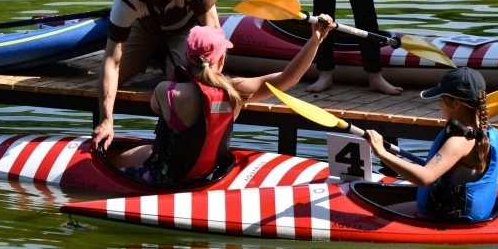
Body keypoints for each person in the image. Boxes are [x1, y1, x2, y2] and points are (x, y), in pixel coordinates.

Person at [103, 14, 335, 184]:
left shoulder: (166, 91)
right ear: (222, 59)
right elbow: (289, 78)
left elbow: (157, 110)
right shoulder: (236, 91)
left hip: (167, 178)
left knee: (119, 162)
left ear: (186, 56)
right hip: (211, 174)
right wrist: (315, 40)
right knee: (145, 151)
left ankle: (102, 165)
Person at [92, 0, 221, 149]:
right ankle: (154, 56)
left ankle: (165, 61)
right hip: (145, 28)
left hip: (185, 30)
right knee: (111, 80)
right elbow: (111, 60)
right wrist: (106, 120)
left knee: (179, 81)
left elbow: (213, 33)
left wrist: (211, 92)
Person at [364, 67, 498, 221]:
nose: (439, 106)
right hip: (468, 214)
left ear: (456, 103)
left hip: (449, 219)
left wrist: (381, 153)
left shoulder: (459, 142)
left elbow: (425, 178)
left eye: (441, 100)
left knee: (370, 219)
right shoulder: (489, 133)